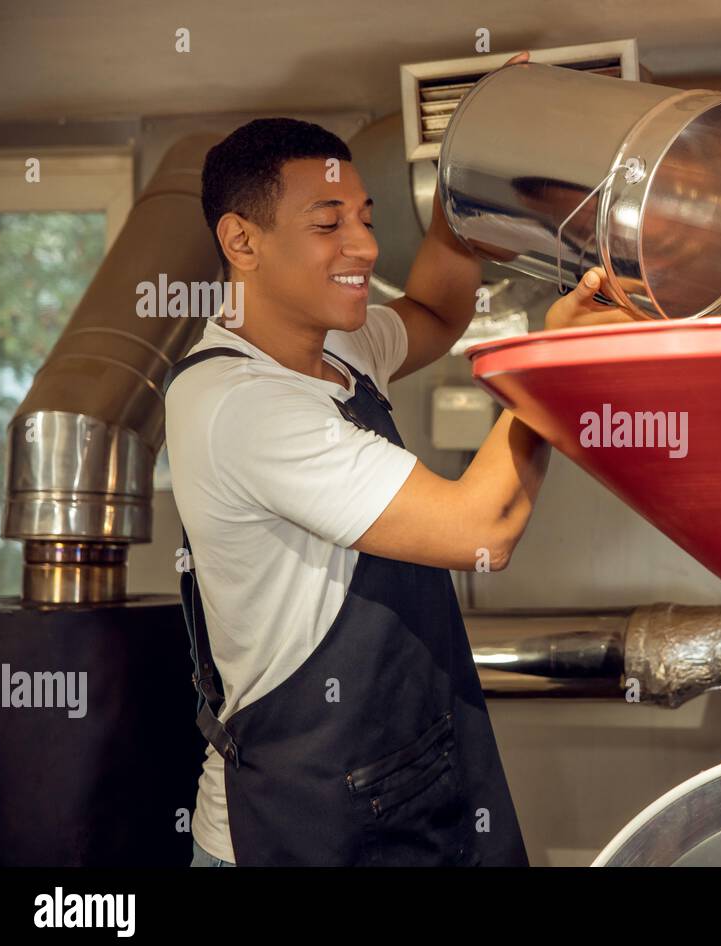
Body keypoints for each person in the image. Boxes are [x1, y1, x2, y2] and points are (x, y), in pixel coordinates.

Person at [168, 58, 636, 867]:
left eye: (366, 215)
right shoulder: (241, 403)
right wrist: (555, 361)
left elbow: (436, 309)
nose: (365, 244)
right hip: (300, 825)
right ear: (241, 240)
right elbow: (480, 527)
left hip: (403, 785)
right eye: (328, 223)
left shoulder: (336, 347)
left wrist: (470, 161)